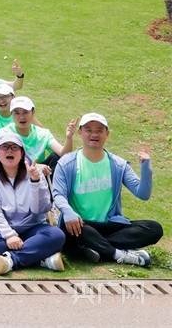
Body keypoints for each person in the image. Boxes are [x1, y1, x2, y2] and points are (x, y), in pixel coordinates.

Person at [52, 113, 163, 267]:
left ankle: (93, 248)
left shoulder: (118, 164)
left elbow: (142, 193)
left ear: (107, 134)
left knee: (154, 228)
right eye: (88, 130)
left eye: (99, 130)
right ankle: (119, 254)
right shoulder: (66, 163)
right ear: (80, 133)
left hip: (109, 225)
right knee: (68, 227)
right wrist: (69, 212)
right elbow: (58, 194)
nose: (94, 134)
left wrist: (146, 169)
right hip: (80, 225)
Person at [0, 133, 66, 275]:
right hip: (3, 230)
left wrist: (35, 182)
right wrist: (9, 235)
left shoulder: (35, 172)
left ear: (22, 153)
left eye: (14, 147)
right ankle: (41, 259)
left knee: (57, 235)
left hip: (33, 227)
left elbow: (42, 209)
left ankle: (10, 260)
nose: (9, 151)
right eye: (5, 147)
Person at [1, 96, 74, 169]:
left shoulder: (43, 133)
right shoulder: (5, 133)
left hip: (41, 172)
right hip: (16, 172)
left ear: (33, 112)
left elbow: (64, 155)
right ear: (11, 114)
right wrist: (36, 167)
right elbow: (7, 160)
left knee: (57, 157)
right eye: (17, 113)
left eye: (25, 112)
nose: (21, 117)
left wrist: (69, 138)